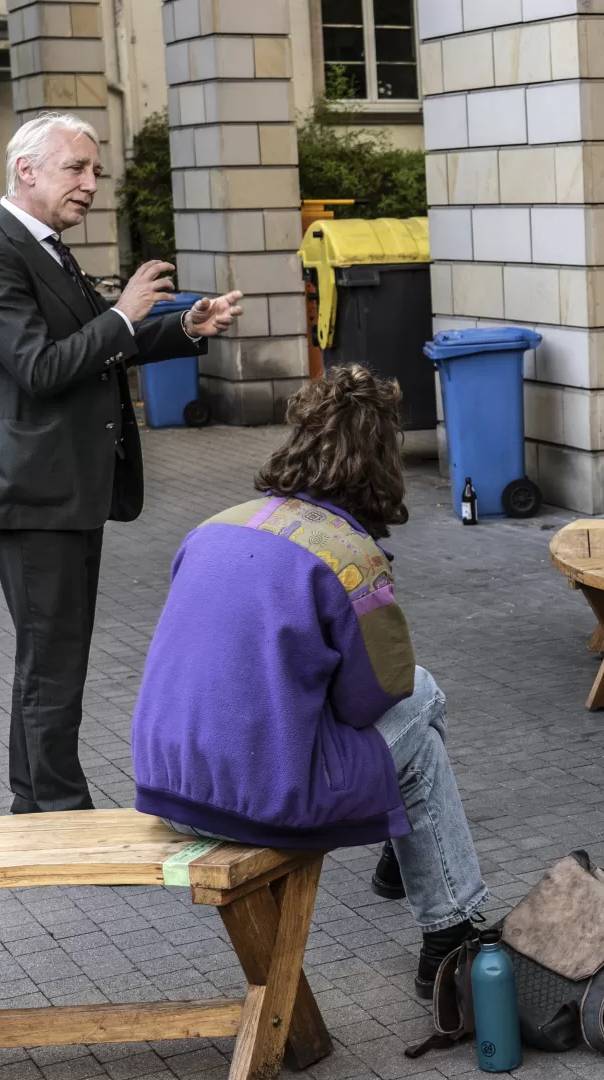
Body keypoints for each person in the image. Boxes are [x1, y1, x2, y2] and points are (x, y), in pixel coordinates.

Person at [130, 367, 486, 996]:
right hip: (260, 795)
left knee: (415, 734)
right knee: (424, 704)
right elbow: (371, 700)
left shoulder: (216, 525)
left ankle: (408, 868)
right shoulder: (349, 555)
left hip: (165, 780)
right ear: (383, 458)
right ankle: (448, 934)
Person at [0, 112, 243, 814]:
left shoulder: (46, 248)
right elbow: (41, 367)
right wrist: (121, 313)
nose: (90, 184)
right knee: (51, 659)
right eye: (76, 169)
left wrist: (180, 326)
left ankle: (37, 802)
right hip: (33, 492)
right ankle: (55, 809)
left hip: (68, 489)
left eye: (94, 171)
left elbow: (99, 343)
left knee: (54, 656)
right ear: (27, 171)